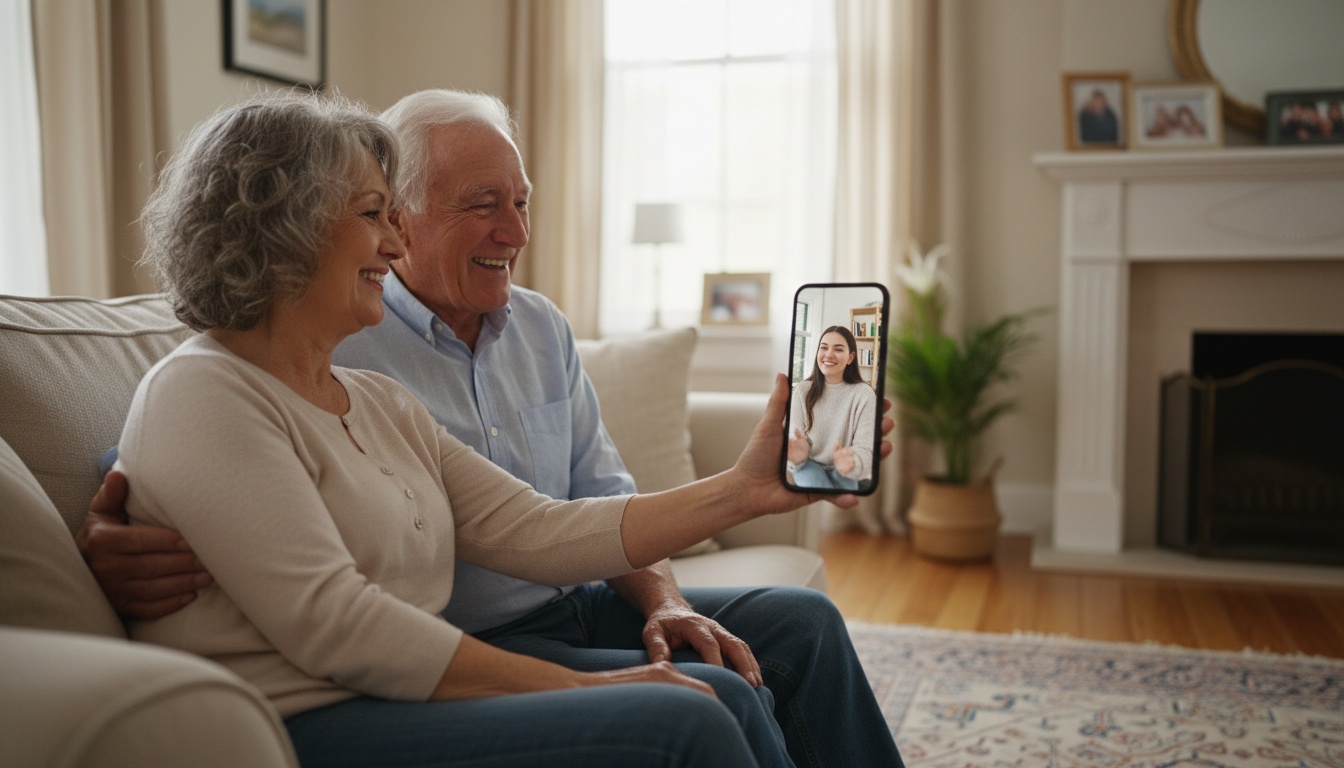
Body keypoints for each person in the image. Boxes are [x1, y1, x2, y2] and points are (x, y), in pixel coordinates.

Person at [83, 89, 905, 767]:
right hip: (316, 709)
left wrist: (746, 490)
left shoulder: (374, 398)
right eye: (376, 214)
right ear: (287, 230)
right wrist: (109, 520)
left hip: (437, 666)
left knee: (771, 653)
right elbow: (300, 584)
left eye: (520, 203)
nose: (394, 243)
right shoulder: (209, 385)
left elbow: (544, 526)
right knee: (693, 715)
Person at [785, 326, 876, 492]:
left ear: (850, 358)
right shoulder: (802, 391)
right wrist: (797, 455)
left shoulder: (864, 394)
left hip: (844, 466)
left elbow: (865, 447)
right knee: (823, 498)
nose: (828, 354)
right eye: (824, 347)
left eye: (838, 349)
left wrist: (853, 462)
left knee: (844, 503)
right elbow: (793, 438)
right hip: (807, 463)